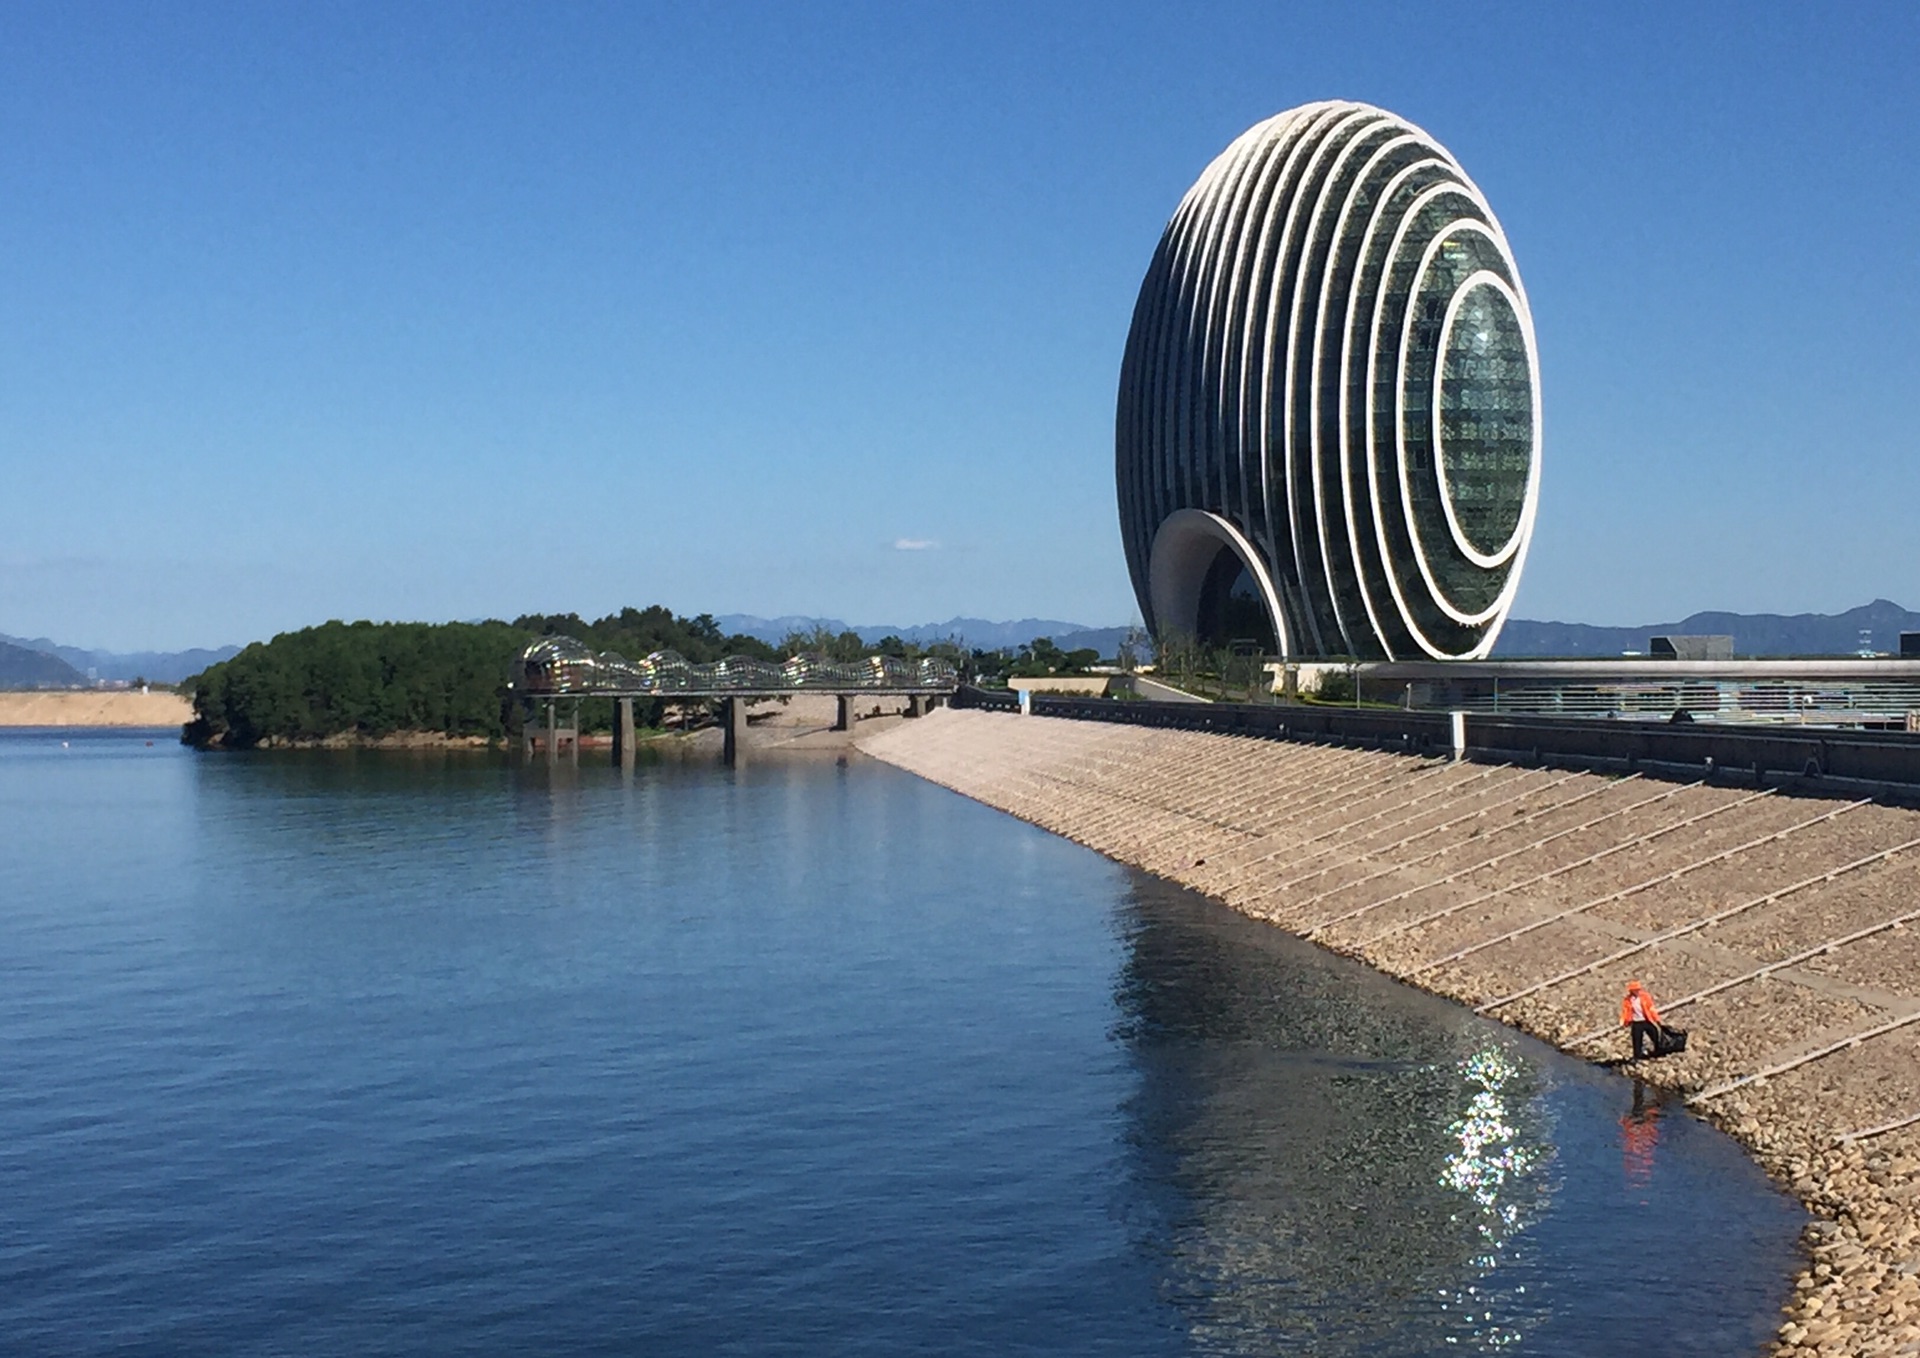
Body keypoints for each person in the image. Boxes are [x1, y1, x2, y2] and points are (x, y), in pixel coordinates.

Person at [1621, 980, 1663, 1060]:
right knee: (1637, 1039)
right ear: (1632, 991)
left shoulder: (1645, 997)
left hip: (1645, 1020)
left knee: (1654, 1033)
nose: (1637, 991)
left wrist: (1656, 1019)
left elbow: (1651, 1009)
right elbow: (1625, 1011)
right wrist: (1625, 1021)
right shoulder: (1628, 1000)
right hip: (1636, 1022)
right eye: (1635, 990)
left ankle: (1658, 1050)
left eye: (1638, 989)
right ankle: (1637, 1056)